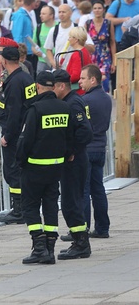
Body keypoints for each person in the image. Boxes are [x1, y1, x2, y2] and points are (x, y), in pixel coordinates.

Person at [17, 71, 74, 265]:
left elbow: (25, 140)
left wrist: (20, 161)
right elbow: (70, 136)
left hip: (34, 167)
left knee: (30, 206)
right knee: (50, 206)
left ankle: (39, 246)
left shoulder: (35, 109)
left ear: (38, 87)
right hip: (56, 167)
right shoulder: (65, 107)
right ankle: (50, 249)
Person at [51, 69, 93, 260]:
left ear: (61, 86)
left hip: (75, 161)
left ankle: (81, 243)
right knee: (70, 201)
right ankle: (79, 240)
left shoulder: (72, 103)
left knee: (71, 202)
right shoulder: (68, 102)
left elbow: (85, 131)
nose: (52, 90)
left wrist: (71, 152)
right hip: (73, 159)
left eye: (53, 86)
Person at [0, 46, 36, 224]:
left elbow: (14, 113)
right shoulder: (25, 77)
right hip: (25, 132)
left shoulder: (14, 82)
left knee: (13, 171)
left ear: (4, 60)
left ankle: (18, 210)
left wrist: (7, 136)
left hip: (15, 135)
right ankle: (23, 207)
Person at [79, 64, 112, 238]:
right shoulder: (106, 98)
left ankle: (82, 228)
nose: (80, 81)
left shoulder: (85, 101)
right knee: (98, 189)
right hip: (100, 147)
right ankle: (102, 228)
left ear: (93, 79)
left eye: (83, 78)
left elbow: (83, 126)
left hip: (87, 149)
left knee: (83, 190)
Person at [85, 1, 115, 92]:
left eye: (99, 8)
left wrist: (114, 61)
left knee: (105, 81)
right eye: (95, 8)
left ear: (103, 10)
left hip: (105, 56)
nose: (97, 10)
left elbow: (112, 42)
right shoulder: (88, 23)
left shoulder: (108, 23)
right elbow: (84, 41)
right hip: (91, 55)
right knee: (91, 80)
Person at [61, 27, 92, 95]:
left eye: (70, 37)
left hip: (78, 91)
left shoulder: (76, 54)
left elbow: (76, 75)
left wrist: (64, 81)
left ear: (76, 40)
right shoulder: (85, 51)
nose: (68, 39)